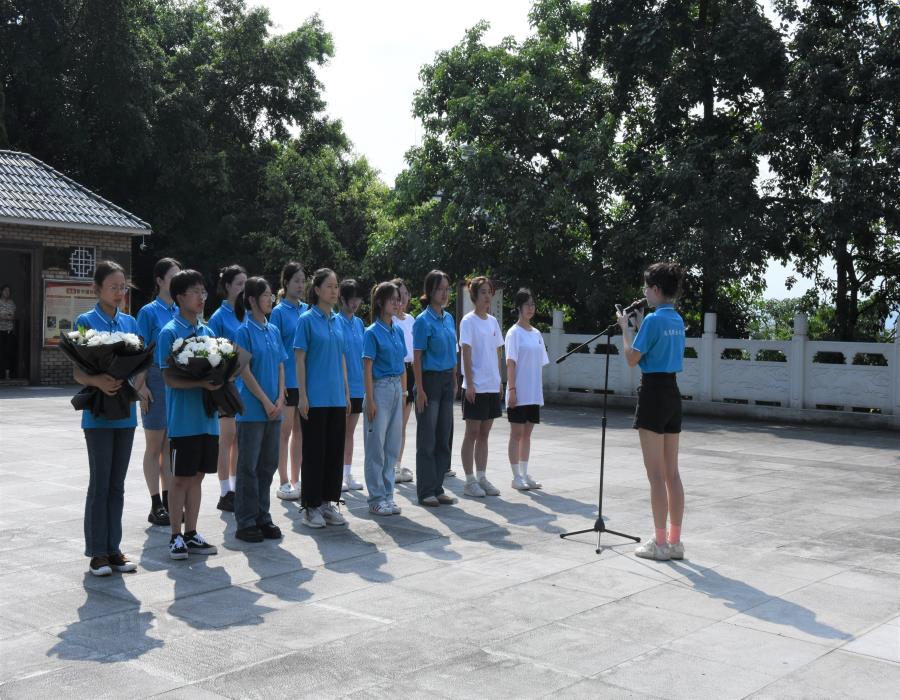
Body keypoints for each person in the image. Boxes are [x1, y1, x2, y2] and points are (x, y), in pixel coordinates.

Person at [72, 261, 143, 577]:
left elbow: (140, 364)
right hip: (99, 414)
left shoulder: (129, 322)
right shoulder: (85, 321)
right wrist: (99, 381)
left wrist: (136, 384)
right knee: (100, 483)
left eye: (123, 287)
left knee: (117, 485)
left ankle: (114, 548)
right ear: (97, 289)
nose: (119, 292)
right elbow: (77, 370)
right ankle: (97, 552)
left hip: (125, 414)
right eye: (113, 287)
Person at [618, 262, 686, 562]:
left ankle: (658, 543)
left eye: (647, 287)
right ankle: (674, 541)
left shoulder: (654, 321)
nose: (645, 292)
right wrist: (638, 327)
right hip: (672, 392)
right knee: (672, 473)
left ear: (657, 290)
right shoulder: (676, 320)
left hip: (653, 393)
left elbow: (633, 358)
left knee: (655, 475)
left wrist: (624, 330)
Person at [158, 269, 219, 560]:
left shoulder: (207, 332)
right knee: (180, 479)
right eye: (195, 292)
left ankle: (192, 533)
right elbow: (169, 379)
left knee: (198, 477)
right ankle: (175, 535)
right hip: (183, 421)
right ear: (180, 297)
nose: (201, 298)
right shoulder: (169, 332)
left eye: (203, 292)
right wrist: (199, 382)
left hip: (207, 418)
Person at [293, 268, 350, 528]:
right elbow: (300, 358)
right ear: (317, 290)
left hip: (337, 397)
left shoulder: (338, 321)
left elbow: (341, 359)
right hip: (315, 397)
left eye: (336, 286)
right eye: (329, 286)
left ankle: (328, 503)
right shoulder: (306, 320)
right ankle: (310, 507)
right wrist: (303, 394)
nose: (334, 291)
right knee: (314, 452)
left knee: (334, 453)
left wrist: (347, 393)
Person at [232, 277, 286, 542]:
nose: (270, 300)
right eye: (266, 295)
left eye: (271, 296)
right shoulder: (244, 331)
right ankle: (246, 520)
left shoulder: (273, 329)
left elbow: (280, 365)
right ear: (252, 299)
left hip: (275, 410)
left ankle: (263, 516)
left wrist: (280, 398)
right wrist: (265, 401)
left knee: (268, 465)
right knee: (248, 467)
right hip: (253, 410)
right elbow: (244, 370)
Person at [136, 257, 181, 526]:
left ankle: (168, 500)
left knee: (169, 446)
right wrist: (140, 386)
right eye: (173, 276)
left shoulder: (180, 310)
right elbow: (140, 352)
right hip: (153, 378)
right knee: (154, 445)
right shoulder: (148, 312)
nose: (177, 281)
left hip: (175, 380)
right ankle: (155, 504)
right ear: (160, 280)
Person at [412, 270, 459, 507]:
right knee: (427, 438)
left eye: (447, 288)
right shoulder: (423, 321)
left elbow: (453, 351)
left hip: (446, 381)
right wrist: (419, 389)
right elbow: (417, 358)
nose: (445, 293)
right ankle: (425, 490)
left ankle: (438, 485)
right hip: (429, 381)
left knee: (444, 435)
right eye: (440, 289)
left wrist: (455, 378)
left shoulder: (449, 318)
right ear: (430, 291)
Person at [362, 282, 407, 515]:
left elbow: (402, 366)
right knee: (375, 447)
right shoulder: (371, 332)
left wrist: (405, 391)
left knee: (392, 445)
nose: (397, 303)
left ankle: (389, 494)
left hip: (396, 388)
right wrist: (370, 400)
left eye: (398, 299)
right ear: (380, 302)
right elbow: (367, 368)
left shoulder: (397, 330)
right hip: (379, 389)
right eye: (392, 299)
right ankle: (376, 498)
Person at [459, 277, 504, 498]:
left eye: (490, 292)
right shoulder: (468, 321)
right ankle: (469, 481)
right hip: (474, 386)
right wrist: (469, 382)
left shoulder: (493, 322)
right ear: (475, 296)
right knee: (472, 433)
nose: (488, 296)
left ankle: (482, 476)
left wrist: (499, 381)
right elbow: (466, 352)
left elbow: (497, 351)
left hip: (491, 385)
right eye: (484, 292)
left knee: (485, 434)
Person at [208, 264, 247, 513]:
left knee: (239, 441)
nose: (243, 289)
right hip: (226, 385)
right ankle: (224, 491)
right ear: (228, 287)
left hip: (245, 384)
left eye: (246, 284)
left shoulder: (246, 314)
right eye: (239, 284)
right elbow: (212, 353)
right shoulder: (218, 317)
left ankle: (235, 486)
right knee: (226, 439)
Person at [270, 262, 307, 501]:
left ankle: (297, 478)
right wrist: (280, 384)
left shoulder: (308, 310)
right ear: (286, 283)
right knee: (284, 432)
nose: (301, 285)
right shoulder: (279, 312)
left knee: (301, 433)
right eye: (296, 281)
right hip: (287, 380)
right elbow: (275, 348)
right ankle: (283, 481)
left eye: (303, 281)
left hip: (304, 381)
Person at [505, 288, 549, 490]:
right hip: (518, 390)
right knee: (517, 432)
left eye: (533, 304)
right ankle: (516, 476)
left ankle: (524, 472)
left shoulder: (537, 333)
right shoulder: (514, 333)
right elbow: (511, 363)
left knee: (527, 434)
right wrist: (512, 389)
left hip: (533, 391)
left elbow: (540, 363)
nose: (531, 308)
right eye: (527, 305)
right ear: (519, 307)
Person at [337, 279, 365, 492]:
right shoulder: (335, 322)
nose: (355, 303)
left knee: (350, 433)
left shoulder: (359, 323)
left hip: (358, 386)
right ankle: (337, 474)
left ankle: (347, 473)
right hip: (340, 387)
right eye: (351, 298)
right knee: (339, 432)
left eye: (358, 298)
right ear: (342, 299)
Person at [390, 278, 415, 484]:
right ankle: (388, 465)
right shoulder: (390, 320)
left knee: (403, 424)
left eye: (405, 294)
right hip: (395, 371)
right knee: (392, 423)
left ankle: (397, 465)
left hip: (410, 370)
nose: (403, 299)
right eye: (398, 296)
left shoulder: (411, 320)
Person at [0, 284, 16, 379]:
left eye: (8, 291)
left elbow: (13, 316)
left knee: (8, 352)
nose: (7, 292)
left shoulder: (11, 303)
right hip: (0, 330)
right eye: (5, 290)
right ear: (1, 291)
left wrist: (4, 316)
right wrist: (6, 316)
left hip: (9, 331)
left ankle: (7, 374)